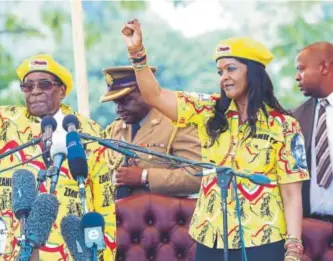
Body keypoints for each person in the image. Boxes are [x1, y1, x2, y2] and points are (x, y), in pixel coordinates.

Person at [120, 19, 309, 261]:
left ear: (253, 72)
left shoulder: (283, 124)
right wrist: (137, 53)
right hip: (211, 236)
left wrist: (293, 248)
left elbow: (292, 192)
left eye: (231, 69)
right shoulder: (208, 111)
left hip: (262, 238)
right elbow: (154, 95)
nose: (224, 78)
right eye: (220, 72)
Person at [0, 42, 115, 261]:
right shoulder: (6, 123)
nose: (35, 91)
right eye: (28, 86)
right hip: (13, 249)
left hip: (68, 251)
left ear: (62, 90)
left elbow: (105, 205)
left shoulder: (88, 132)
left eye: (44, 84)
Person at [101, 65, 202, 197]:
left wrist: (145, 176)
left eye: (126, 101)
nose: (119, 109)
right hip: (119, 214)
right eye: (116, 103)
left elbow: (197, 176)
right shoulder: (116, 129)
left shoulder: (176, 124)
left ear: (146, 93)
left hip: (164, 215)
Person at [293, 41, 333, 221]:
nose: (297, 77)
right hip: (311, 228)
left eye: (301, 69)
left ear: (324, 67)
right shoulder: (296, 118)